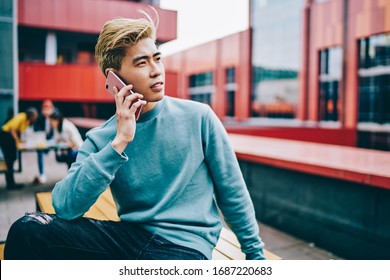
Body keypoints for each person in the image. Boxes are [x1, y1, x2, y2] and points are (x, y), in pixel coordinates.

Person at [4, 12, 266, 260]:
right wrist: (119, 142)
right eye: (142, 63)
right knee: (28, 229)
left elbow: (232, 192)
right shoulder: (103, 137)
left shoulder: (199, 118)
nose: (156, 70)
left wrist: (255, 256)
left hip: (184, 250)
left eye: (157, 58)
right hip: (128, 240)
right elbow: (65, 206)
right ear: (114, 77)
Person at [0, 108, 38, 190]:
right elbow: (12, 129)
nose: (35, 118)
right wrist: (17, 140)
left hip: (9, 137)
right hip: (5, 136)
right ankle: (10, 184)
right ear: (30, 115)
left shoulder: (26, 120)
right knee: (9, 160)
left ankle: (11, 183)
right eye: (35, 116)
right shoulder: (21, 116)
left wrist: (20, 140)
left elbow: (19, 130)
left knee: (12, 159)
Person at [33, 99, 56, 184]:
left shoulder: (55, 116)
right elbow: (36, 129)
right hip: (42, 140)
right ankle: (42, 173)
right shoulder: (39, 117)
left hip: (52, 139)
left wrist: (50, 116)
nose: (46, 110)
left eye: (48, 108)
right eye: (45, 108)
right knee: (40, 152)